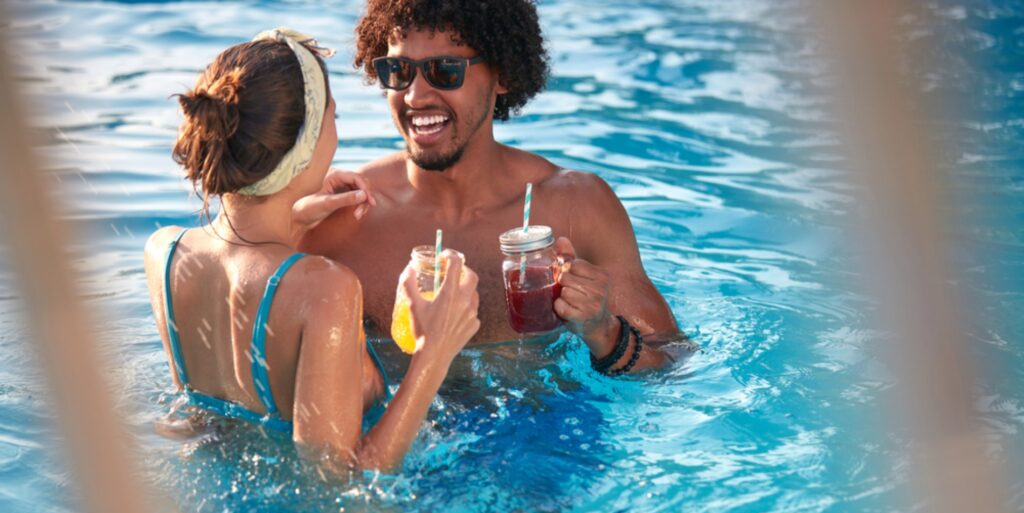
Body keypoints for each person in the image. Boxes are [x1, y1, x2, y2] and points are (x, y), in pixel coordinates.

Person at [143, 28, 480, 474]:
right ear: (306, 147)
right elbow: (337, 481)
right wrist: (433, 354)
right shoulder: (324, 288)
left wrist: (294, 215)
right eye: (334, 118)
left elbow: (212, 414)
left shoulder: (165, 254)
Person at [298, 0, 683, 375]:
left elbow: (675, 361)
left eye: (444, 70)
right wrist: (288, 225)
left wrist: (604, 332)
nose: (415, 96)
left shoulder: (576, 207)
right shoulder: (341, 219)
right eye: (398, 70)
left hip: (551, 433)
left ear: (504, 75)